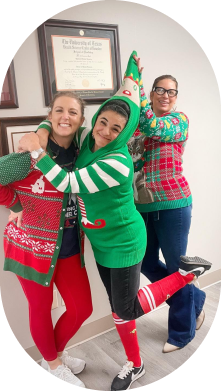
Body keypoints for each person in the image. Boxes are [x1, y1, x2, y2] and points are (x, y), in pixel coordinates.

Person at [16, 51, 212, 391]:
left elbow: (69, 184)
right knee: (120, 309)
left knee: (128, 308)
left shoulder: (118, 160)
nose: (106, 132)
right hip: (102, 242)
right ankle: (135, 365)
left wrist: (36, 152)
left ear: (126, 132)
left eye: (117, 128)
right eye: (103, 122)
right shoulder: (88, 139)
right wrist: (44, 128)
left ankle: (184, 275)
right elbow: (65, 121)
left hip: (124, 241)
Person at [0, 92, 93, 387]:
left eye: (73, 112)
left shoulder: (84, 154)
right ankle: (52, 364)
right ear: (50, 115)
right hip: (30, 245)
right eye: (59, 110)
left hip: (68, 246)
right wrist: (15, 205)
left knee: (82, 308)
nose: (65, 117)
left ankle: (53, 356)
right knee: (40, 308)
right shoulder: (31, 155)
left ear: (81, 120)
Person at [129, 55, 207, 353]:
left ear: (176, 98)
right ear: (151, 94)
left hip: (174, 204)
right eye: (159, 90)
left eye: (170, 91)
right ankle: (195, 300)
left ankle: (181, 333)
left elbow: (153, 127)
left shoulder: (177, 121)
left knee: (177, 266)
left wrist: (132, 83)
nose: (165, 95)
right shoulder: (135, 129)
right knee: (146, 262)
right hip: (141, 207)